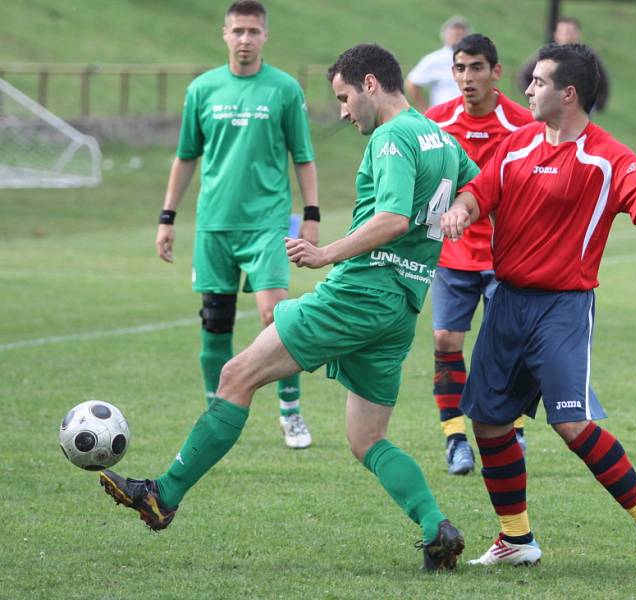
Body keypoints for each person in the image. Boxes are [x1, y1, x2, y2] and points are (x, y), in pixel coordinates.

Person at [98, 43, 481, 571]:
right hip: (403, 306)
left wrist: (325, 253)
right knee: (366, 438)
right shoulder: (436, 134)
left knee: (236, 375)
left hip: (360, 292)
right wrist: (461, 207)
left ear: (371, 83)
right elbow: (478, 183)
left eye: (345, 97)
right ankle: (436, 528)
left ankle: (163, 495)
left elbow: (391, 218)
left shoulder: (393, 139)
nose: (343, 111)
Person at [441, 43, 636, 577]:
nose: (527, 89)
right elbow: (477, 193)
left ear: (567, 93)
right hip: (504, 301)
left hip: (562, 307)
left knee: (572, 423)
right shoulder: (516, 144)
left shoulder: (605, 156)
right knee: (486, 421)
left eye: (538, 82)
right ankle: (516, 538)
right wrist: (461, 211)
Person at [156, 0, 317, 449]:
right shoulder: (202, 90)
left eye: (253, 31)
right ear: (224, 34)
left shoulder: (284, 89)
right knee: (215, 323)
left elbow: (303, 157)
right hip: (214, 225)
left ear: (265, 36)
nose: (245, 39)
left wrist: (311, 214)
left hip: (267, 224)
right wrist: (167, 217)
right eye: (237, 31)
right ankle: (217, 411)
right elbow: (186, 156)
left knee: (275, 314)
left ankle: (290, 410)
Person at [424, 34, 534, 475]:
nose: (467, 78)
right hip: (452, 254)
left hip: (504, 256)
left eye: (476, 68)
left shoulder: (521, 125)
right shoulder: (436, 122)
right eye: (460, 68)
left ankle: (516, 428)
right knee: (445, 341)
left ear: (496, 72)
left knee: (506, 346)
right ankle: (455, 439)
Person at [517, 17, 609, 112]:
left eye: (571, 32)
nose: (568, 37)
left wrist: (597, 105)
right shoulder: (548, 55)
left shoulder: (587, 56)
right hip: (552, 107)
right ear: (556, 35)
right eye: (564, 33)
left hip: (579, 110)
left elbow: (603, 82)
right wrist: (536, 98)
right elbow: (524, 75)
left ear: (578, 34)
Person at [405, 16, 471, 112]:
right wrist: (425, 111)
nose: (458, 35)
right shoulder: (435, 59)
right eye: (454, 32)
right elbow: (412, 82)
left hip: (470, 117)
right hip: (444, 118)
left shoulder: (474, 59)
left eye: (462, 32)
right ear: (445, 35)